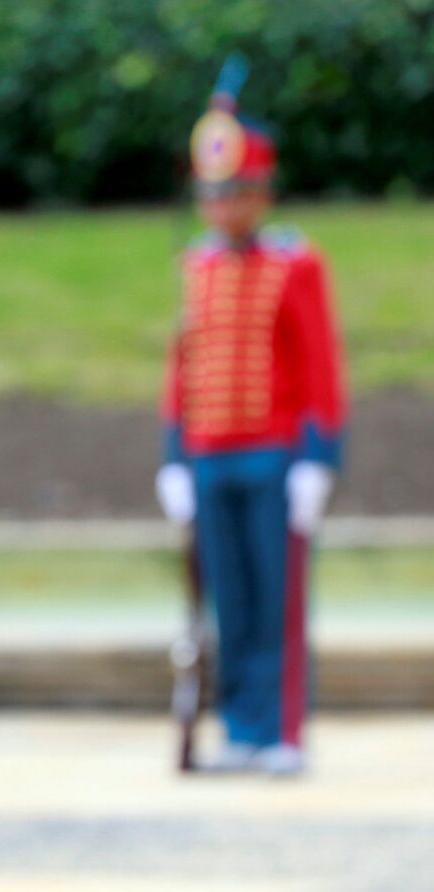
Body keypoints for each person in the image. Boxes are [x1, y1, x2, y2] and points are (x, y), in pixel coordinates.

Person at [155, 59, 346, 777]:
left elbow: (320, 362)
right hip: (209, 453)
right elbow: (183, 365)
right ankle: (239, 725)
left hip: (275, 452)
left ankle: (281, 730)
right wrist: (173, 456)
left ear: (261, 193)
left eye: (234, 191)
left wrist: (319, 456)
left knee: (278, 600)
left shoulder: (295, 263)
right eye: (211, 193)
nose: (221, 206)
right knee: (227, 602)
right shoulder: (197, 265)